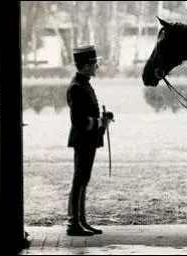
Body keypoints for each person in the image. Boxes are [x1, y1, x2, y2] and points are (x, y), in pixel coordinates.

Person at [66, 45, 114, 236]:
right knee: (79, 180)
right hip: (83, 140)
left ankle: (81, 221)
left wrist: (103, 121)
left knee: (83, 179)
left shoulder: (83, 83)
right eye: (95, 63)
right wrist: (100, 121)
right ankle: (73, 223)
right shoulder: (77, 87)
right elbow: (78, 121)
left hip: (88, 140)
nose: (97, 67)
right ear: (86, 66)